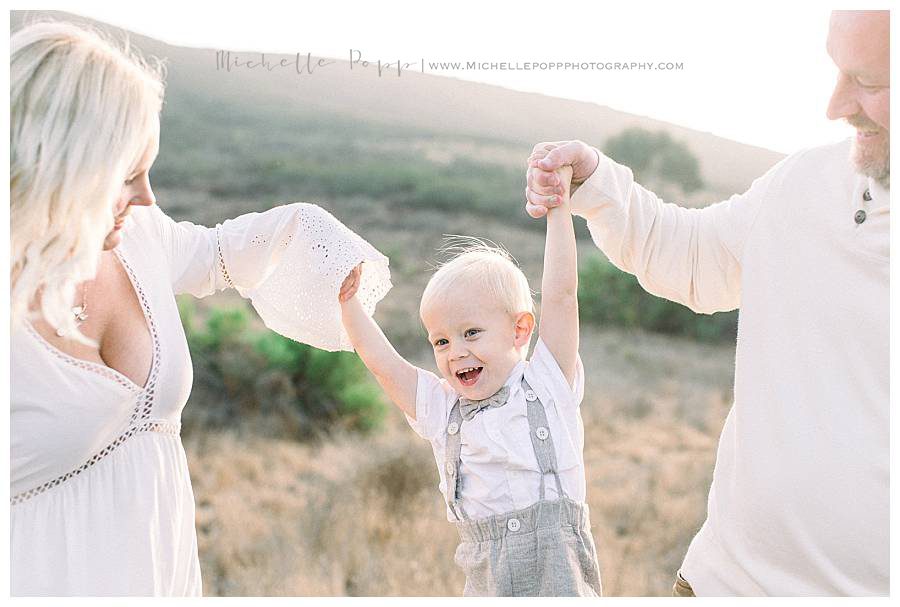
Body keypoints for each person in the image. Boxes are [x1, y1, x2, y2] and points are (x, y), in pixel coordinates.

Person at [9, 20, 391, 596]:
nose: (146, 197)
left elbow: (215, 254)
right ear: (61, 170)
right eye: (127, 176)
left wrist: (302, 228)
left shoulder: (138, 234)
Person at [524, 9, 888, 597]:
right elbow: (694, 256)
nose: (836, 106)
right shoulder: (803, 183)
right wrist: (599, 185)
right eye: (838, 73)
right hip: (721, 582)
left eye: (869, 83)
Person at [338, 165, 603, 596]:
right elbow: (385, 364)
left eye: (471, 333)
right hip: (487, 581)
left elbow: (561, 294)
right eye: (440, 341)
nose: (455, 351)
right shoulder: (443, 410)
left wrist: (558, 208)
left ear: (519, 330)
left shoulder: (548, 383)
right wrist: (350, 307)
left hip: (561, 578)